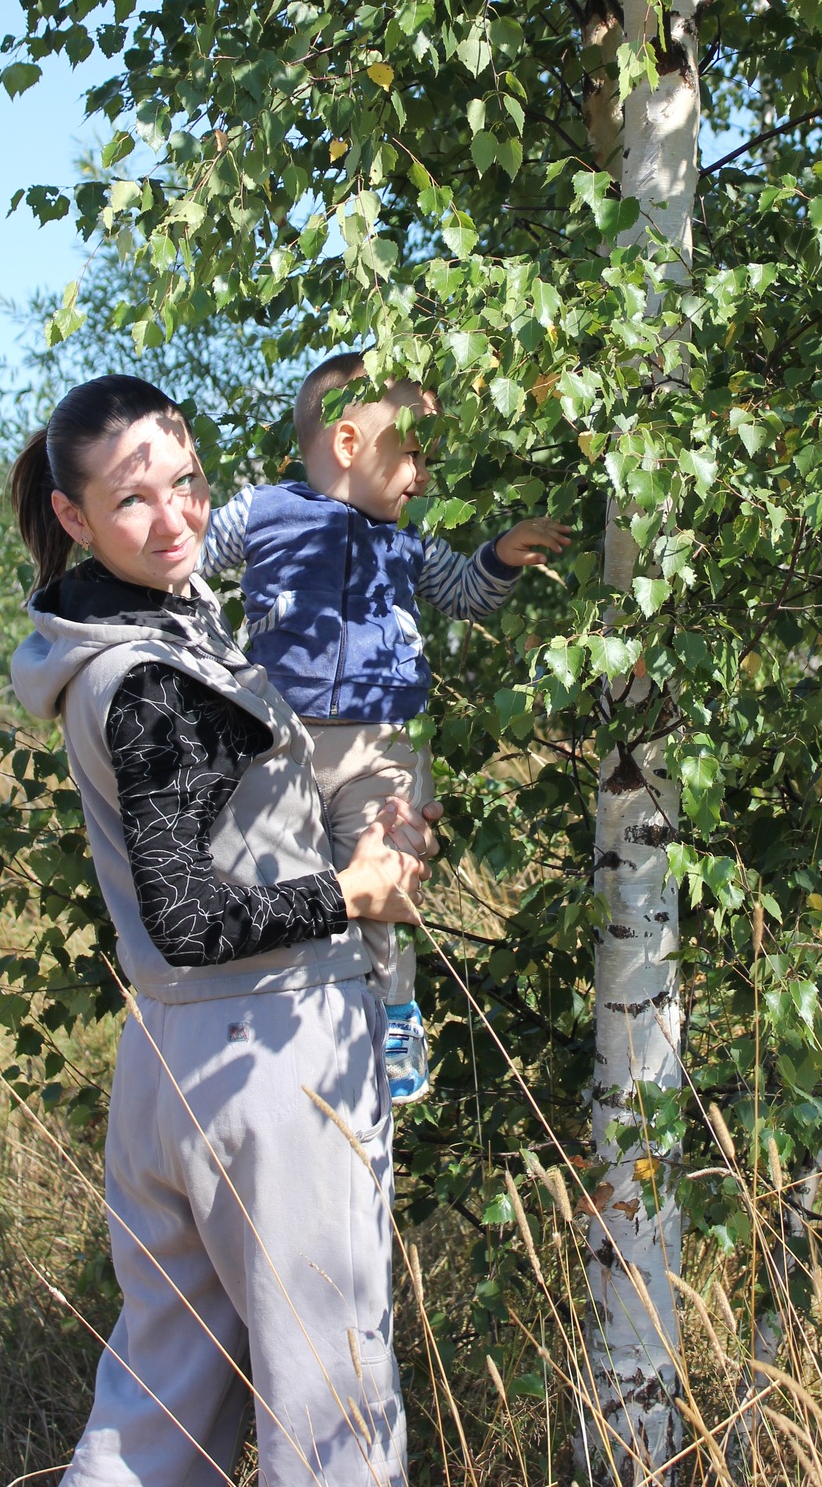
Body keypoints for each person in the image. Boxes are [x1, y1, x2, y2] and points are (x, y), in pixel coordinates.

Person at [9, 374, 437, 1487]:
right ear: (73, 517)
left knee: (157, 1419)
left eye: (187, 482)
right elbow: (190, 915)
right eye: (133, 498)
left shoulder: (130, 637)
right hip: (270, 1068)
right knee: (333, 1422)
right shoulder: (150, 679)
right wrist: (352, 890)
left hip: (171, 1066)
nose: (176, 517)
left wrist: (366, 831)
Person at [200, 352, 571, 1101]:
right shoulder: (261, 512)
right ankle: (288, 1029)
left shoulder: (408, 543)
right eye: (413, 454)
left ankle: (392, 1018)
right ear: (347, 444)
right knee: (286, 885)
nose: (424, 476)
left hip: (382, 747)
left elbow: (466, 595)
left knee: (387, 879)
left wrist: (500, 556)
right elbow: (184, 561)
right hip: (280, 744)